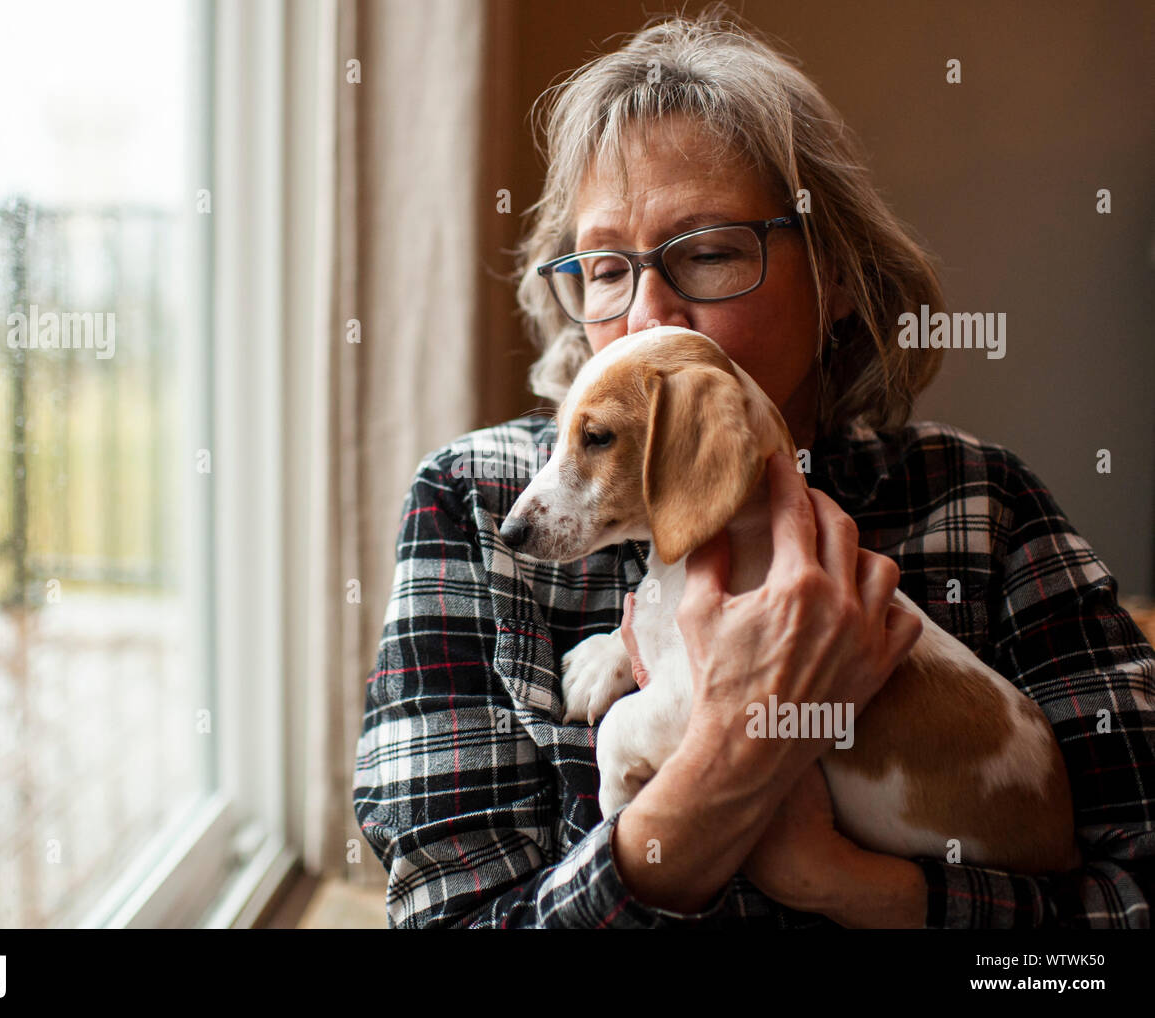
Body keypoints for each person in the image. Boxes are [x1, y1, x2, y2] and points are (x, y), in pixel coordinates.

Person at [352, 8, 1155, 928]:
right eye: (606, 268)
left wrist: (844, 883)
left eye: (709, 253)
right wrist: (734, 759)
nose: (649, 315)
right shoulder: (474, 502)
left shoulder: (982, 504)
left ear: (839, 278)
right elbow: (450, 917)